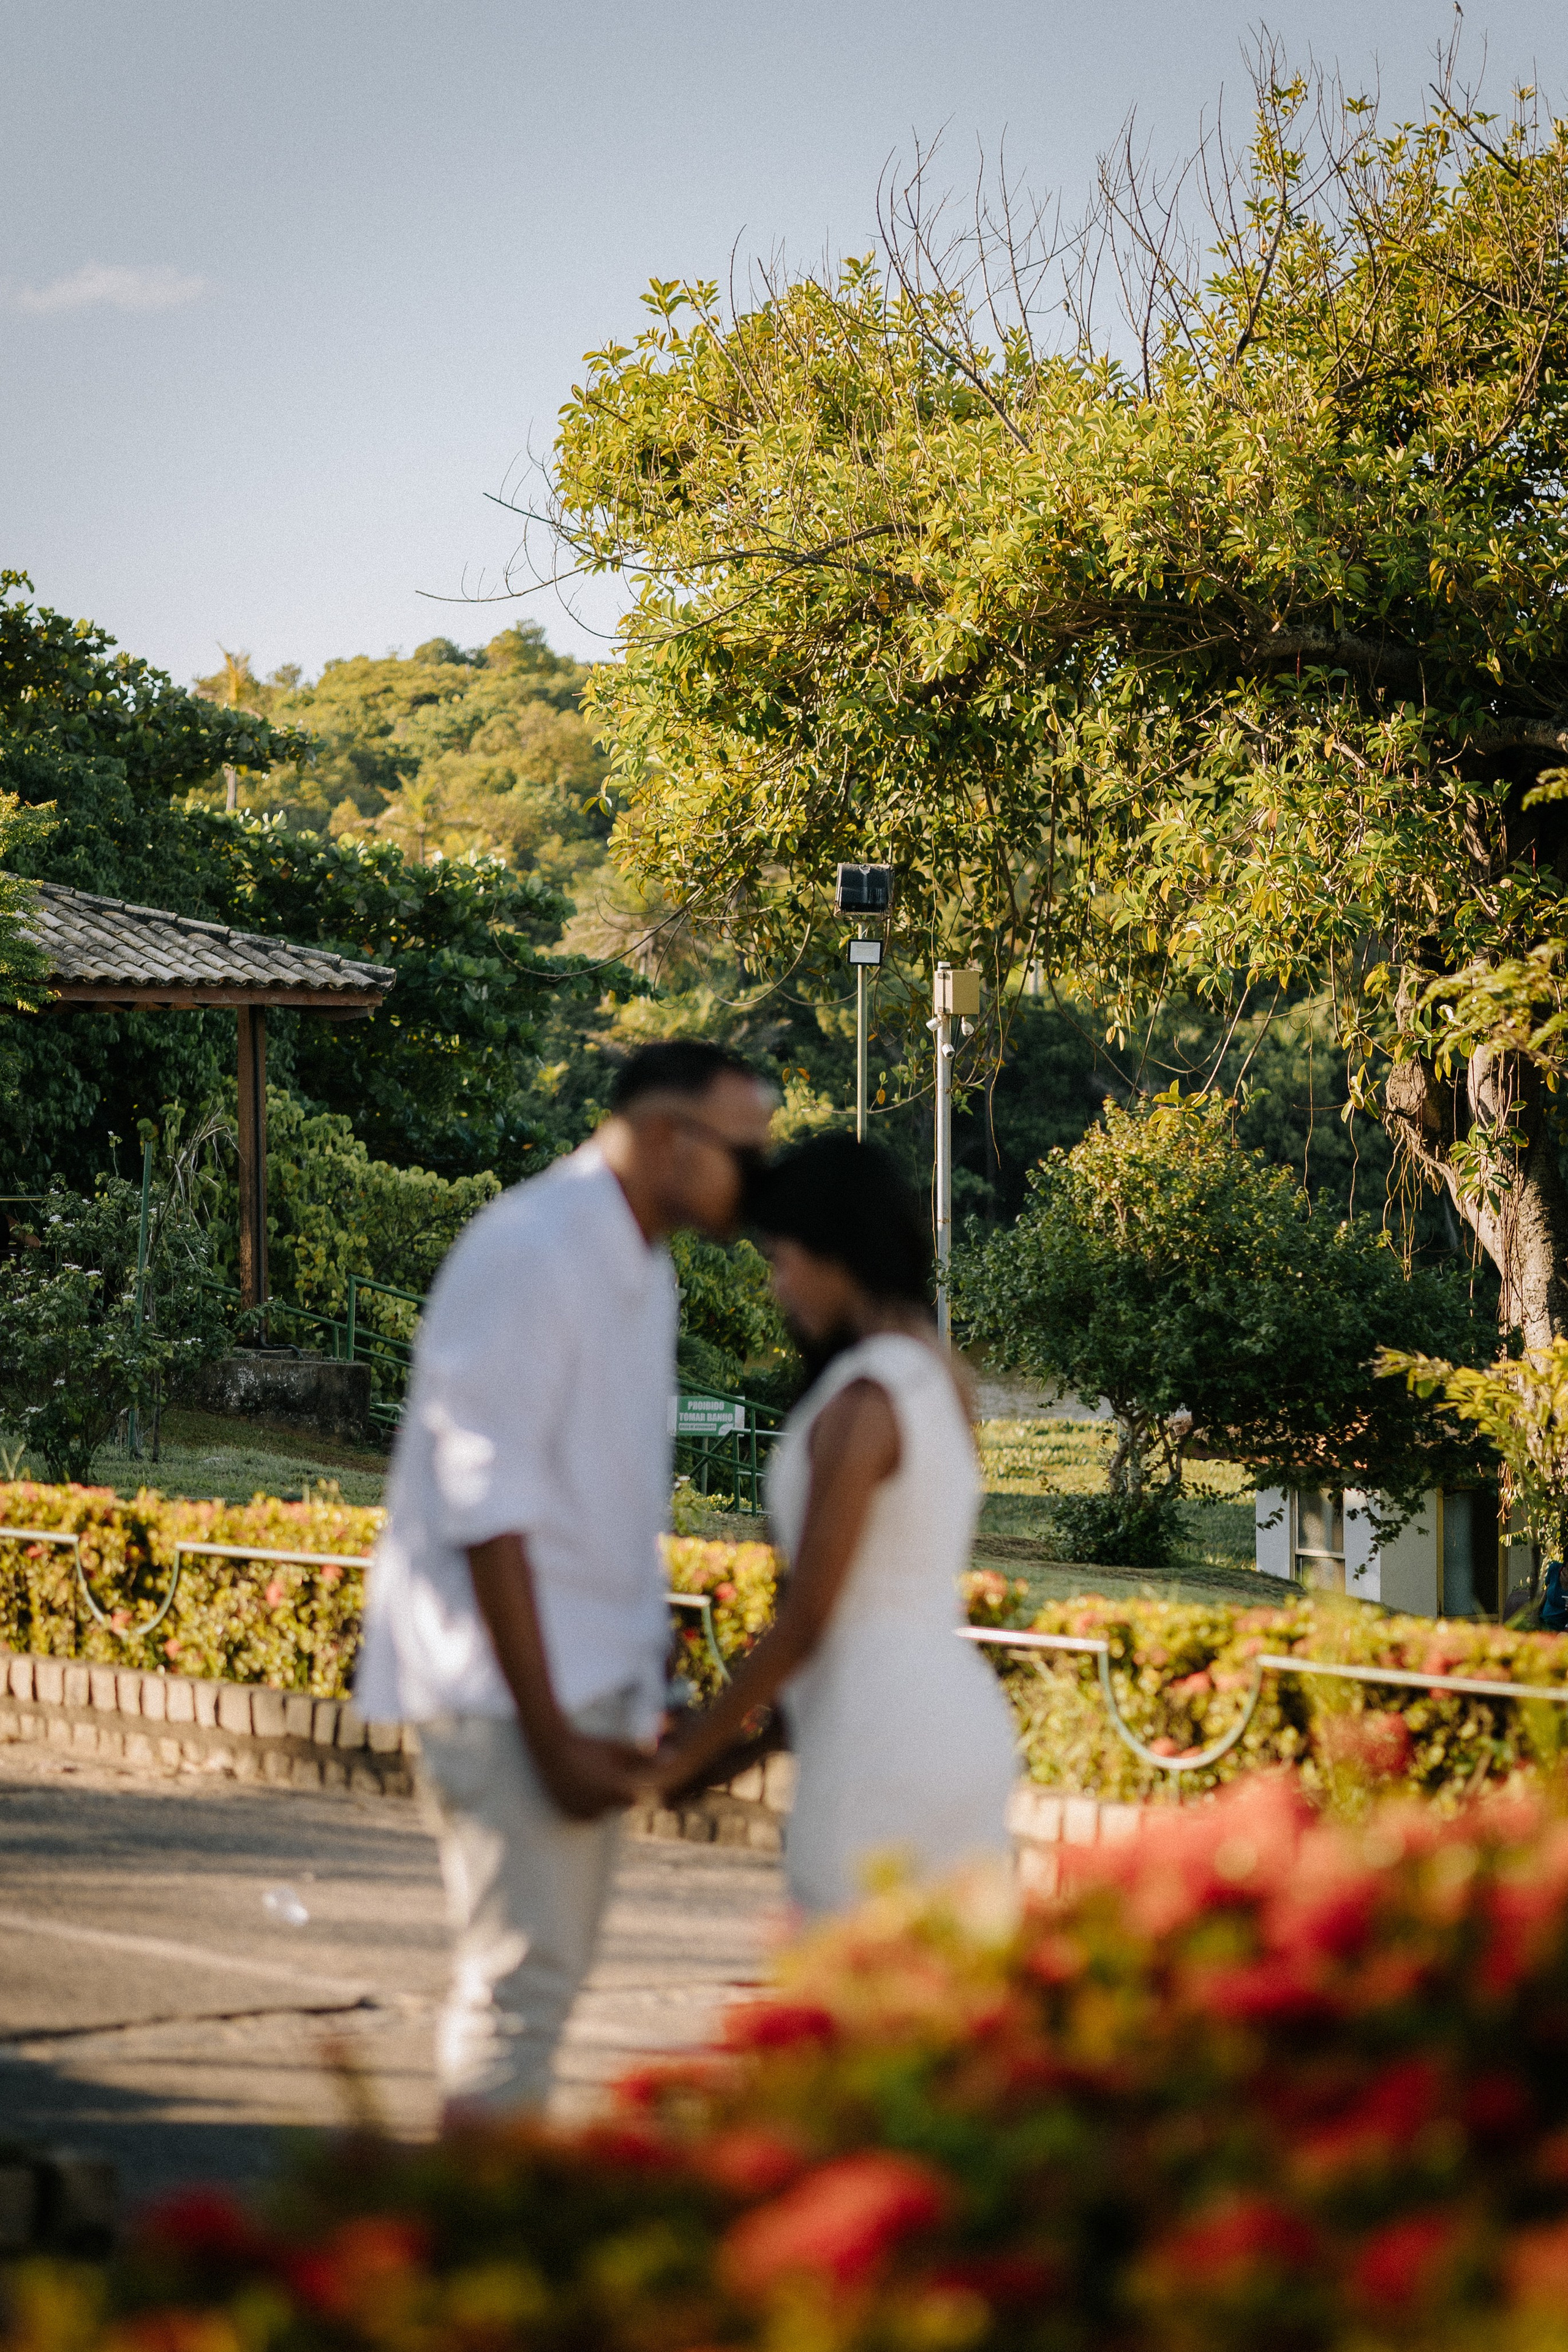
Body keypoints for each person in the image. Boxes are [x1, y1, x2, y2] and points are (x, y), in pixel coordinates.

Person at [355, 1039, 775, 2119]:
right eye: (747, 1151)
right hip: (507, 1694)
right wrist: (549, 1734)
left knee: (541, 1991)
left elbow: (606, 1509)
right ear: (671, 1138)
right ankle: (476, 2221)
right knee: (519, 1993)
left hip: (583, 1685)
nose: (760, 1178)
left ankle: (495, 2213)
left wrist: (648, 1678)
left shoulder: (643, 1264)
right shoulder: (535, 1246)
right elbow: (485, 1504)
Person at [648, 1132, 1017, 1914]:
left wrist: (684, 1759)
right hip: (954, 1722)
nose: (777, 1287)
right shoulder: (942, 1378)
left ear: (838, 1255)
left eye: (782, 1261)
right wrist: (726, 1759)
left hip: (878, 1745)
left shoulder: (863, 1403)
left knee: (850, 1970)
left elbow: (810, 1619)